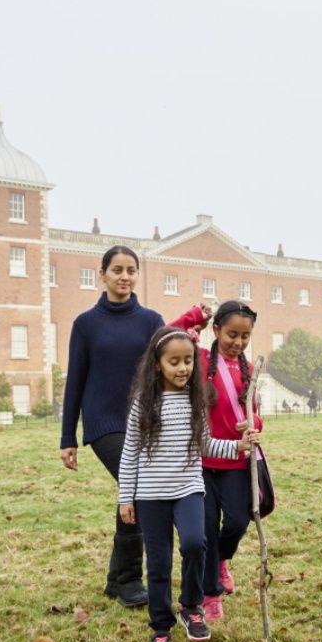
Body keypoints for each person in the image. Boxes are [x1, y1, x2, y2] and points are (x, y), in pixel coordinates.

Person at [60, 245, 208, 608]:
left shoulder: (150, 319)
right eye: (117, 270)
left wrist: (193, 326)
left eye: (130, 270)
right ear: (103, 275)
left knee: (133, 489)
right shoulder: (85, 324)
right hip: (104, 422)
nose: (124, 277)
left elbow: (171, 350)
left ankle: (116, 578)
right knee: (139, 487)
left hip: (144, 421)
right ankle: (129, 578)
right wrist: (68, 437)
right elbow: (75, 381)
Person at [117, 327, 256, 642]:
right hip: (151, 495)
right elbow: (130, 452)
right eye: (174, 362)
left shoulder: (196, 400)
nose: (182, 368)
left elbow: (205, 445)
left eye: (188, 361)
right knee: (160, 561)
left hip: (188, 488)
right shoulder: (144, 403)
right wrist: (126, 497)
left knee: (195, 543)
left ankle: (192, 607)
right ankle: (161, 625)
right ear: (157, 365)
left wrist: (239, 446)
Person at [193, 301, 262, 623]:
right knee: (205, 529)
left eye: (245, 336)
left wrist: (253, 426)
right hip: (202, 461)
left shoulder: (249, 371)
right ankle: (210, 595)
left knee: (237, 521)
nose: (238, 342)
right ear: (217, 330)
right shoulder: (201, 359)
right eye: (232, 334)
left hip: (237, 461)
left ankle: (223, 559)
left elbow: (255, 413)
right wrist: (196, 317)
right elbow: (166, 338)